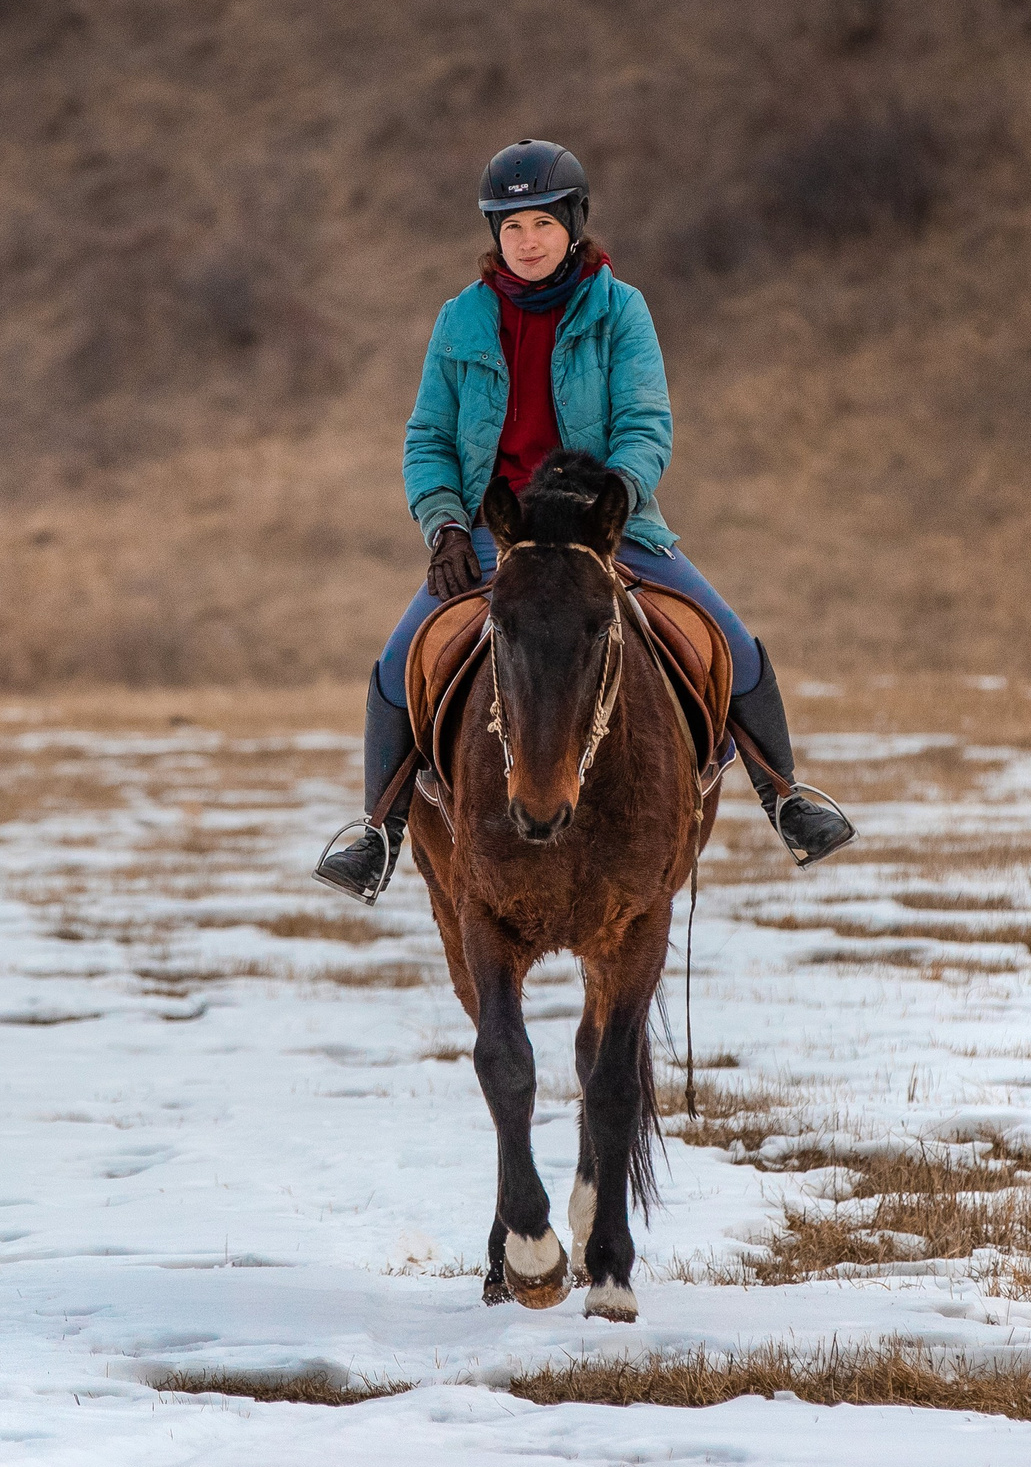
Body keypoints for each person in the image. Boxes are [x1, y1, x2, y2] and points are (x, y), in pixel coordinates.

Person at [315, 140, 856, 902]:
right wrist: (442, 527)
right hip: (494, 529)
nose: (527, 241)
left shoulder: (620, 309)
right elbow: (428, 439)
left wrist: (616, 500)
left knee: (729, 640)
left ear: (573, 223)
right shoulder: (459, 321)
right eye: (511, 227)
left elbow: (645, 423)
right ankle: (378, 832)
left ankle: (787, 797)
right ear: (493, 235)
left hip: (608, 521)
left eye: (541, 223)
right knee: (399, 663)